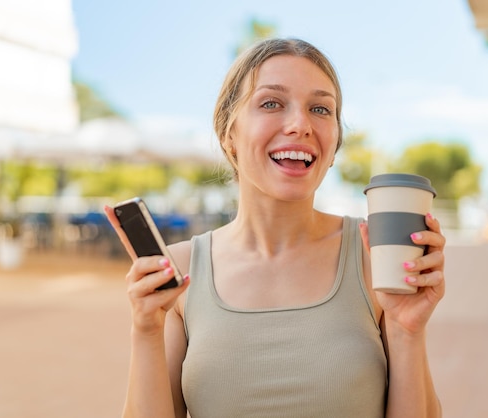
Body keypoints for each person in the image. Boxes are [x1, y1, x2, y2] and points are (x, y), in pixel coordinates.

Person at [105, 37, 445, 418]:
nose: (300, 125)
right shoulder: (180, 270)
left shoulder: (374, 258)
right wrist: (146, 331)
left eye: (320, 109)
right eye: (271, 103)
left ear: (334, 146)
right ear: (229, 135)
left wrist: (406, 331)